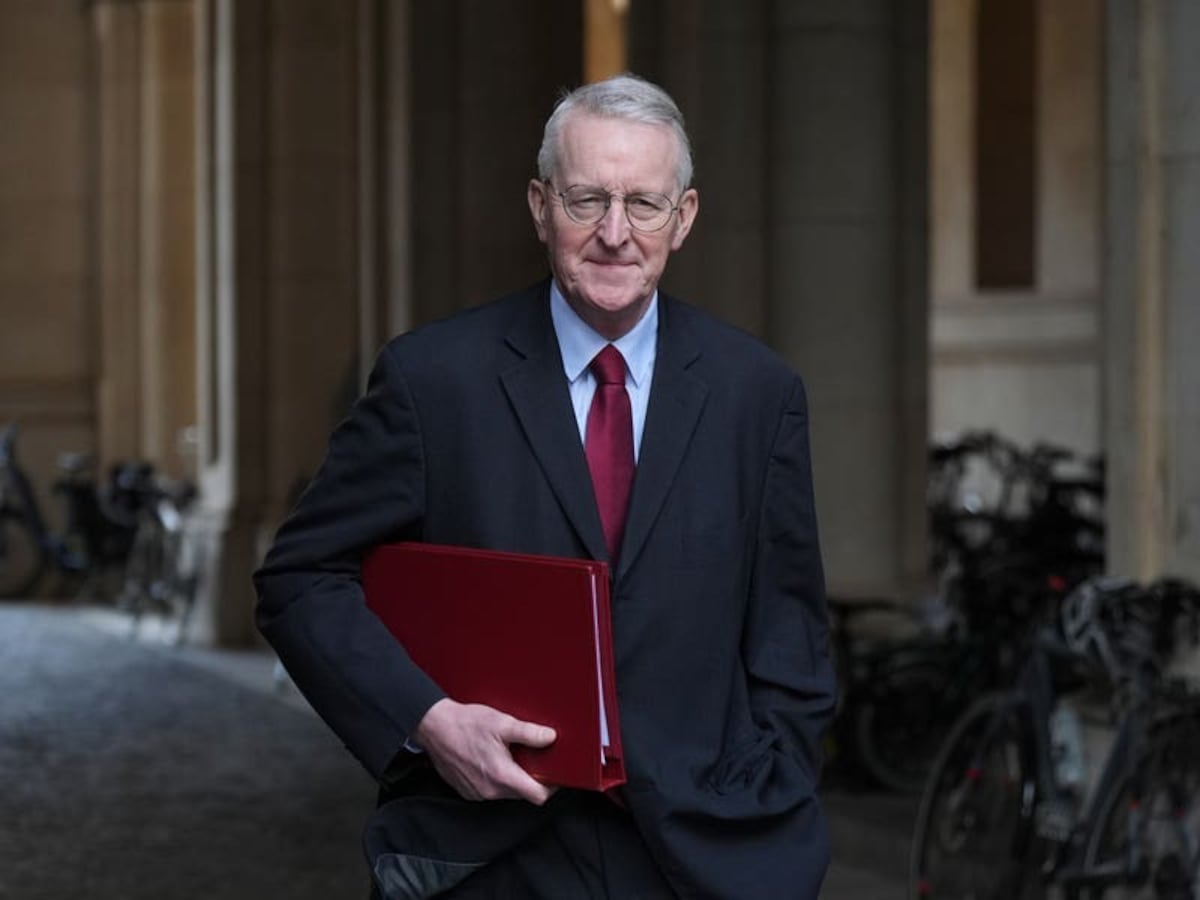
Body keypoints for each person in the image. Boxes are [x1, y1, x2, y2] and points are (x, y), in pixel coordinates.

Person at [254, 73, 834, 899]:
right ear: (538, 205)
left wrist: (773, 804)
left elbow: (791, 638)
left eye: (644, 204)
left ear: (686, 217)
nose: (614, 233)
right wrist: (427, 721)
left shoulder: (758, 393)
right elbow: (300, 580)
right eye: (586, 198)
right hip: (487, 855)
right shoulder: (433, 381)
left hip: (703, 858)